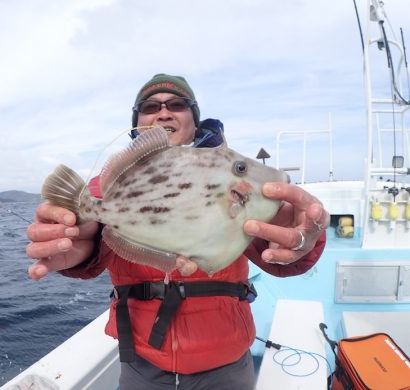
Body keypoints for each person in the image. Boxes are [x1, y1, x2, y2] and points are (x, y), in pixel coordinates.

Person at [26, 74, 328, 390]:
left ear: (194, 121)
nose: (164, 112)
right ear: (137, 123)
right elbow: (96, 239)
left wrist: (305, 235)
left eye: (178, 104)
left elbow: (276, 248)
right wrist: (78, 247)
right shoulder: (105, 188)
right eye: (150, 106)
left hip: (225, 364)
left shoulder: (229, 180)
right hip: (142, 364)